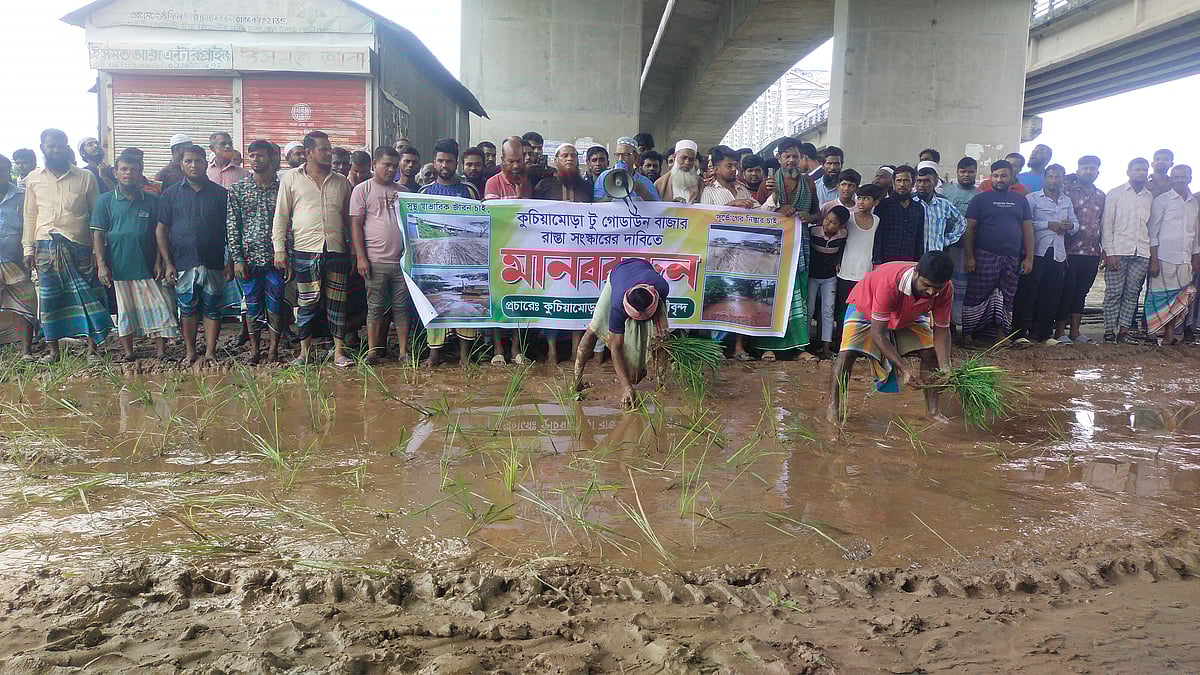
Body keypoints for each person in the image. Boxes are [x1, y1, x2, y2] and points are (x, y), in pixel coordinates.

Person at [827, 251, 954, 424]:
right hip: (867, 305)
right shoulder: (889, 282)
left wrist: (946, 366)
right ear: (916, 272)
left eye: (937, 288)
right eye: (926, 285)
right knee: (847, 353)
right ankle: (833, 409)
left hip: (909, 313)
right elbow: (878, 334)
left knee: (931, 354)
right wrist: (905, 369)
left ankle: (933, 411)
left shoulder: (945, 289)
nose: (931, 292)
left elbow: (942, 329)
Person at [23, 129, 109, 362]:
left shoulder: (86, 177)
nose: (56, 150)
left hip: (80, 246)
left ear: (67, 147)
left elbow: (96, 217)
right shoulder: (33, 178)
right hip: (45, 246)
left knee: (89, 297)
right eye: (51, 146)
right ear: (42, 148)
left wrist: (97, 251)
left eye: (60, 145)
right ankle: (53, 352)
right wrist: (28, 249)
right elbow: (30, 216)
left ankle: (93, 351)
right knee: (50, 300)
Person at [274, 130, 355, 367]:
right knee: (307, 302)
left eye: (329, 149)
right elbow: (281, 215)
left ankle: (339, 353)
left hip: (336, 249)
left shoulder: (342, 182)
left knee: (337, 303)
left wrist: (353, 251)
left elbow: (349, 220)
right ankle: (304, 353)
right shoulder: (291, 178)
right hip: (305, 249)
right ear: (309, 152)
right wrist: (279, 249)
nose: (328, 153)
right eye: (323, 149)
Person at [91, 148, 178, 363]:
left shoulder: (152, 200)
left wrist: (159, 261)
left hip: (147, 264)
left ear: (140, 173)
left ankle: (161, 352)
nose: (128, 173)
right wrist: (101, 265)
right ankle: (129, 353)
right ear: (116, 173)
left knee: (158, 306)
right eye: (124, 169)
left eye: (133, 169)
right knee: (125, 310)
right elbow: (98, 235)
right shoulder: (105, 200)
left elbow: (160, 234)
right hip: (119, 265)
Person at [156, 144, 229, 368]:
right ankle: (190, 352)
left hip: (213, 260)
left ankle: (210, 352)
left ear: (206, 164)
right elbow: (161, 230)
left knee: (212, 308)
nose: (194, 165)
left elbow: (230, 230)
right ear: (181, 165)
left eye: (198, 161)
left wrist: (230, 260)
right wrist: (168, 263)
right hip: (182, 261)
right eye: (188, 161)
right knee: (186, 308)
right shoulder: (170, 194)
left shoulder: (221, 194)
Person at [573, 258, 670, 408]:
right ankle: (576, 381)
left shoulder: (662, 287)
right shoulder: (618, 304)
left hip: (645, 272)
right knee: (593, 330)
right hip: (618, 274)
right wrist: (626, 387)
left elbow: (662, 336)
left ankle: (661, 385)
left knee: (661, 341)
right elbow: (616, 348)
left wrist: (661, 335)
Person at [758, 137, 821, 361]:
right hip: (772, 250)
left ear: (801, 158)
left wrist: (808, 217)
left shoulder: (809, 184)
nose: (792, 160)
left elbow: (818, 214)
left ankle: (799, 347)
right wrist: (777, 207)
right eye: (787, 156)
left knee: (798, 295)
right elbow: (755, 216)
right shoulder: (768, 184)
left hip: (799, 249)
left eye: (796, 156)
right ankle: (767, 347)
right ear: (779, 158)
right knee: (771, 294)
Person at [227, 140, 289, 364]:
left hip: (276, 259)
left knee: (275, 305)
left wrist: (288, 256)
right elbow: (232, 226)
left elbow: (290, 225)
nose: (255, 160)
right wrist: (237, 259)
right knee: (252, 305)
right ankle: (254, 350)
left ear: (271, 158)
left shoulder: (283, 189)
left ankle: (273, 350)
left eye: (260, 155)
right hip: (249, 259)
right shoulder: (238, 189)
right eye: (252, 155)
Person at [961, 160, 1034, 347]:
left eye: (1003, 175)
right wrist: (970, 256)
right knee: (976, 295)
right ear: (990, 177)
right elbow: (969, 230)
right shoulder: (980, 199)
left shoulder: (1021, 200)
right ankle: (968, 335)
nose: (999, 179)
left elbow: (1027, 230)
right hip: (984, 255)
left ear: (1011, 177)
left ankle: (1001, 336)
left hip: (1012, 257)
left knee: (1007, 297)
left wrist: (1029, 258)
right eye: (995, 176)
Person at [351, 146, 411, 366]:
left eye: (394, 166)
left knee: (401, 307)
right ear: (375, 164)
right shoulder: (362, 190)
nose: (391, 169)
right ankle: (372, 351)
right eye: (386, 165)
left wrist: (402, 201)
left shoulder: (403, 191)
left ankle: (403, 351)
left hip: (401, 261)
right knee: (375, 307)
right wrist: (361, 257)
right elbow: (356, 225)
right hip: (375, 260)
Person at [533, 143, 591, 363]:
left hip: (580, 252)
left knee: (578, 297)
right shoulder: (544, 185)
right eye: (565, 155)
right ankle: (552, 350)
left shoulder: (586, 186)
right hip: (551, 252)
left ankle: (577, 348)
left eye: (573, 155)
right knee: (552, 298)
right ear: (555, 160)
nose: (570, 159)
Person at [1013, 164, 1078, 346]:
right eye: (1050, 176)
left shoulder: (1066, 201)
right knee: (1028, 293)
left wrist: (1070, 226)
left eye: (1058, 177)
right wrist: (1047, 224)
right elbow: (1025, 223)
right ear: (1044, 178)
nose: (1054, 180)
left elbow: (1075, 223)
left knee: (1051, 294)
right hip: (1036, 252)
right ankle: (1019, 333)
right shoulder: (1032, 198)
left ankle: (1044, 334)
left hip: (1058, 253)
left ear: (1063, 179)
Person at [482, 137, 532, 365]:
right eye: (511, 161)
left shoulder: (527, 183)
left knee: (519, 301)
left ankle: (516, 349)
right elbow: (498, 216)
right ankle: (498, 349)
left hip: (522, 252)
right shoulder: (493, 183)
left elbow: (530, 218)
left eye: (519, 160)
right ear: (502, 159)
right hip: (498, 251)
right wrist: (519, 199)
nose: (516, 165)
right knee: (497, 301)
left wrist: (522, 195)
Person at [1101, 157, 1154, 345]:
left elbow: (1150, 226)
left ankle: (1124, 331)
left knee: (1132, 293)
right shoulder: (1115, 193)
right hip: (1118, 251)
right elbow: (1107, 224)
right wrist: (1109, 252)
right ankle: (1109, 330)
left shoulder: (1149, 197)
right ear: (1128, 172)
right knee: (1114, 292)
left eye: (1144, 170)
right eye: (1137, 169)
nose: (1141, 173)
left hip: (1141, 252)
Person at [1144, 165, 1198, 346]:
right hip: (1163, 257)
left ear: (1190, 178)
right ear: (1171, 179)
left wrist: (1195, 257)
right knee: (1159, 297)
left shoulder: (1193, 203)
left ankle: (1169, 335)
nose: (1180, 180)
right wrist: (1154, 260)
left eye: (1183, 177)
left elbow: (1194, 233)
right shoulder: (1162, 201)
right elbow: (1153, 233)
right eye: (1176, 177)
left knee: (1179, 298)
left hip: (1185, 258)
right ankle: (1152, 335)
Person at [1056, 155, 1104, 344]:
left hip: (1092, 252)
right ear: (1078, 171)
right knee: (1066, 291)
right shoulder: (1066, 192)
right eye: (1085, 168)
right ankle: (1060, 332)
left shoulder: (1101, 195)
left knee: (1082, 292)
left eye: (1092, 168)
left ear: (1098, 172)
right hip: (1069, 251)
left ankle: (1075, 332)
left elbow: (1103, 223)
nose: (1088, 171)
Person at [834, 184, 883, 348]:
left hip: (866, 273)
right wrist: (837, 261)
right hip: (846, 271)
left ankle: (859, 345)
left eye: (866, 198)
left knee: (863, 311)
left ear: (875, 202)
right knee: (842, 310)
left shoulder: (877, 221)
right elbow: (839, 241)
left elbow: (877, 246)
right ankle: (841, 344)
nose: (861, 202)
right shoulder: (849, 219)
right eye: (859, 198)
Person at [0, 155, 35, 357]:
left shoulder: (22, 196)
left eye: (2, 170)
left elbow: (30, 225)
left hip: (16, 260)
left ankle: (26, 351)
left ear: (8, 172)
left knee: (25, 303)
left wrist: (29, 251)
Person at [808, 205, 850, 359]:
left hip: (830, 277)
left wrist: (839, 262)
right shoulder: (813, 232)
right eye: (826, 219)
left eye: (833, 222)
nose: (827, 223)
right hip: (812, 276)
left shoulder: (843, 235)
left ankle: (826, 347)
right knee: (809, 308)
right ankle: (805, 344)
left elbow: (843, 250)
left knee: (828, 310)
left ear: (841, 226)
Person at [873, 165, 924, 263]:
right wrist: (877, 261)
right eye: (899, 180)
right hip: (886, 261)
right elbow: (878, 236)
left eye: (906, 180)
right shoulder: (883, 205)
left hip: (909, 262)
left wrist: (918, 263)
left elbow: (919, 238)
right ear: (893, 182)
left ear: (913, 182)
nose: (902, 184)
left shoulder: (918, 208)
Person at [915, 166, 965, 254]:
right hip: (914, 255)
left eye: (926, 181)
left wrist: (948, 240)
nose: (922, 185)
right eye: (919, 181)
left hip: (936, 254)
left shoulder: (944, 204)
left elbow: (961, 222)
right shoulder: (911, 203)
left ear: (935, 182)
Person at [594, 137, 658, 202]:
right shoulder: (604, 177)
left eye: (625, 155)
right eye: (617, 155)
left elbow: (658, 206)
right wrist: (610, 193)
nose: (620, 159)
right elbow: (595, 203)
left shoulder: (644, 181)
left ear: (635, 157)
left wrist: (642, 192)